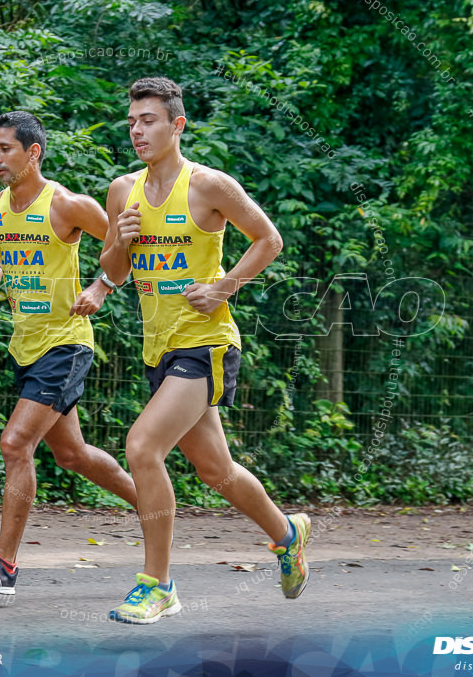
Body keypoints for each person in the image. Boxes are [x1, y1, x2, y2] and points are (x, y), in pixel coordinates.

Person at [99, 77, 310, 624]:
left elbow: (269, 240)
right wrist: (119, 240)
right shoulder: (122, 190)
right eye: (132, 122)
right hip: (157, 347)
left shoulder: (209, 186)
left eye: (148, 120)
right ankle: (287, 534)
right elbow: (114, 273)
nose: (138, 131)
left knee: (142, 446)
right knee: (216, 470)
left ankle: (158, 585)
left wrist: (224, 285)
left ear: (177, 124)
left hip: (206, 341)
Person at [0, 111, 137, 596]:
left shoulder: (69, 206)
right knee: (71, 455)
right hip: (25, 344)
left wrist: (101, 286)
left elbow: (128, 248)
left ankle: (3, 566)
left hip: (67, 343)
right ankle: (153, 502)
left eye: (5, 149)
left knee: (15, 444)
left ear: (33, 153)